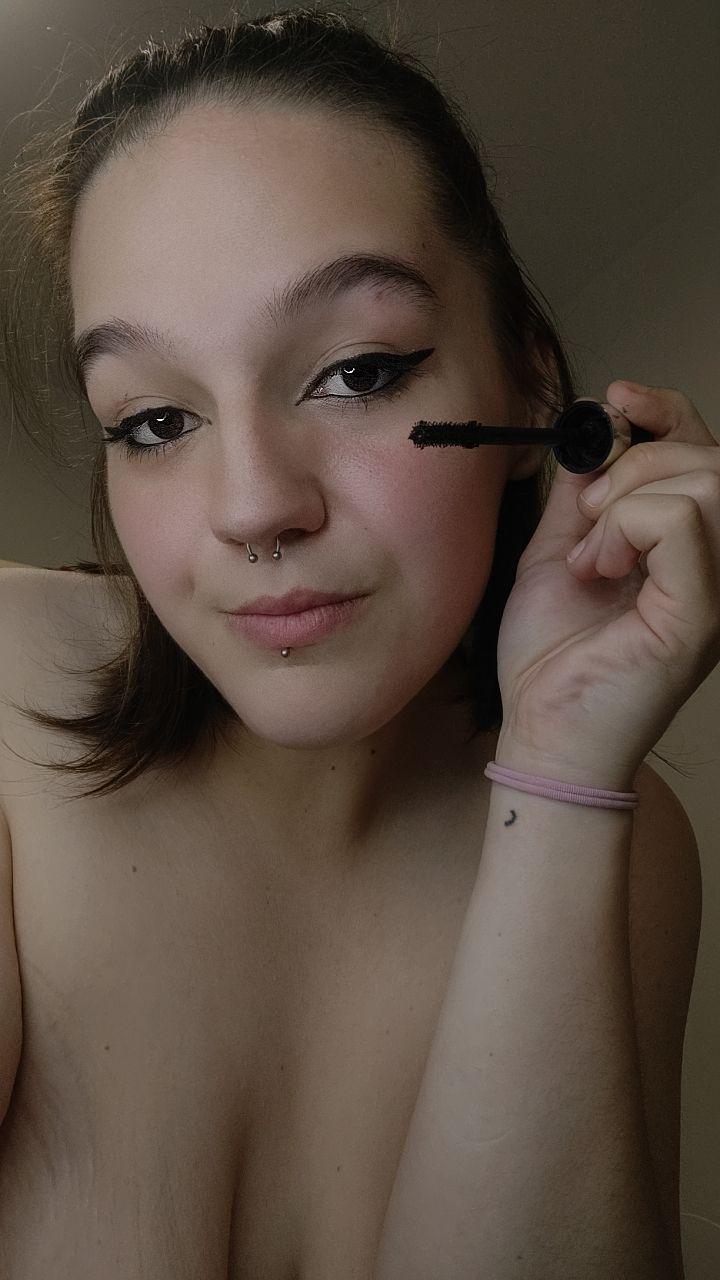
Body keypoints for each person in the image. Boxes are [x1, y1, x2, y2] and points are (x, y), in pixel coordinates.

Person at [0, 9, 713, 1278]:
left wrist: (561, 773)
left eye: (360, 372)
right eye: (156, 419)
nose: (253, 506)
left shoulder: (633, 838)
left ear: (532, 386)